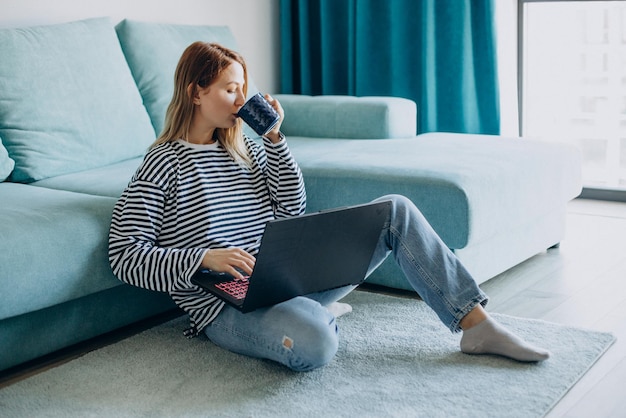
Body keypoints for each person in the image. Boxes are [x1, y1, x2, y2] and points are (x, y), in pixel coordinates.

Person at [109, 41, 550, 372]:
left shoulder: (244, 147)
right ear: (195, 92)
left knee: (394, 208)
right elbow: (124, 255)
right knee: (315, 345)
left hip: (283, 278)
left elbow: (292, 208)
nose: (242, 101)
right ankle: (311, 315)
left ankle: (476, 326)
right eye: (229, 89)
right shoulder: (163, 162)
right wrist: (203, 257)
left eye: (243, 88)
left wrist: (275, 140)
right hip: (226, 307)